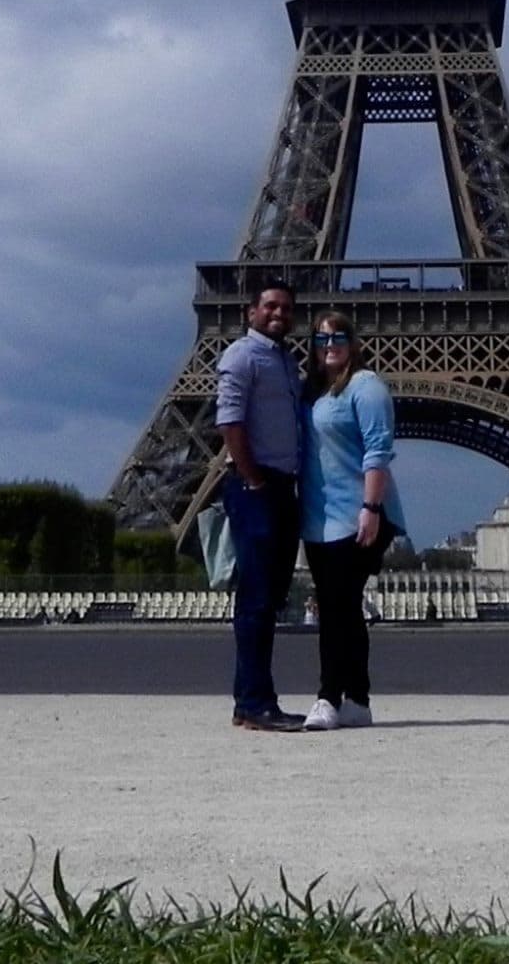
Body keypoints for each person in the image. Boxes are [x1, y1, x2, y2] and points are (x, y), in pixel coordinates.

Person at [298, 312, 404, 732]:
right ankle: (357, 700)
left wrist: (371, 508)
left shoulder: (367, 387)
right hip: (319, 517)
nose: (330, 344)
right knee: (343, 609)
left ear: (353, 341)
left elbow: (378, 449)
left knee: (338, 608)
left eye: (338, 336)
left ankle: (328, 697)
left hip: (358, 513)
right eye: (322, 338)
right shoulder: (315, 392)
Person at [216, 280, 304, 732]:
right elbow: (229, 420)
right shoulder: (242, 356)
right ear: (251, 312)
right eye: (270, 306)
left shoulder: (286, 361)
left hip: (280, 486)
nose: (279, 314)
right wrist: (252, 479)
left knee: (266, 600)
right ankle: (255, 702)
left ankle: (248, 702)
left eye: (286, 308)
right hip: (258, 487)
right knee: (256, 600)